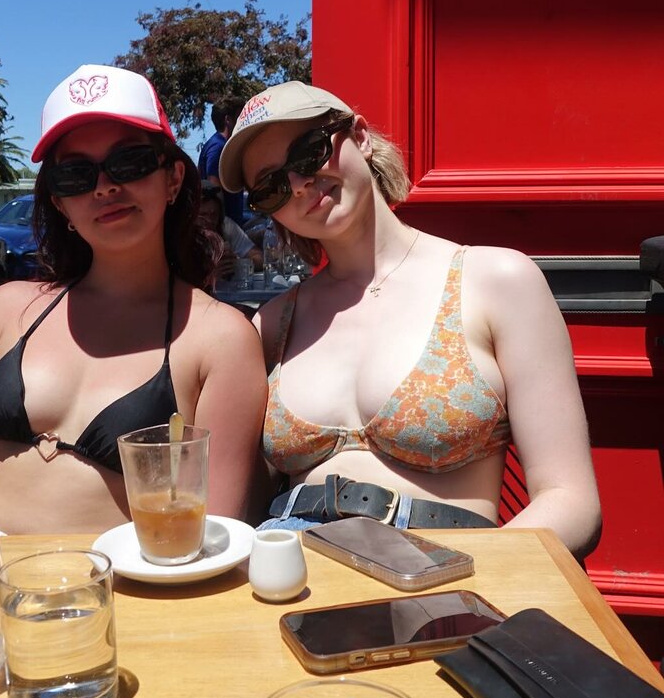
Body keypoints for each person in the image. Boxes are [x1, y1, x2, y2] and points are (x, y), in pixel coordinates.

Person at [218, 80, 601, 557]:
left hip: (445, 568)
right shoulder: (272, 324)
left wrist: (472, 575)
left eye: (308, 152)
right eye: (271, 187)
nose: (297, 184)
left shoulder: (495, 281)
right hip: (290, 568)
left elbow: (571, 500)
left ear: (360, 137)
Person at [0, 64, 267, 535]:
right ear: (59, 202)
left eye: (129, 162)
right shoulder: (9, 308)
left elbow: (215, 533)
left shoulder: (221, 338)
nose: (104, 186)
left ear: (172, 179)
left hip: (122, 575)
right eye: (75, 174)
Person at [198, 96, 246, 224]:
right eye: (240, 117)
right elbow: (214, 185)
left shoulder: (220, 145)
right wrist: (222, 225)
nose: (243, 122)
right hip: (226, 225)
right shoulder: (218, 147)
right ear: (228, 120)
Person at [198, 185, 262, 279]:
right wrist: (209, 273)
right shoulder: (181, 234)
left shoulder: (226, 226)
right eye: (203, 215)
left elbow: (259, 257)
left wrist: (238, 263)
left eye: (214, 214)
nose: (209, 220)